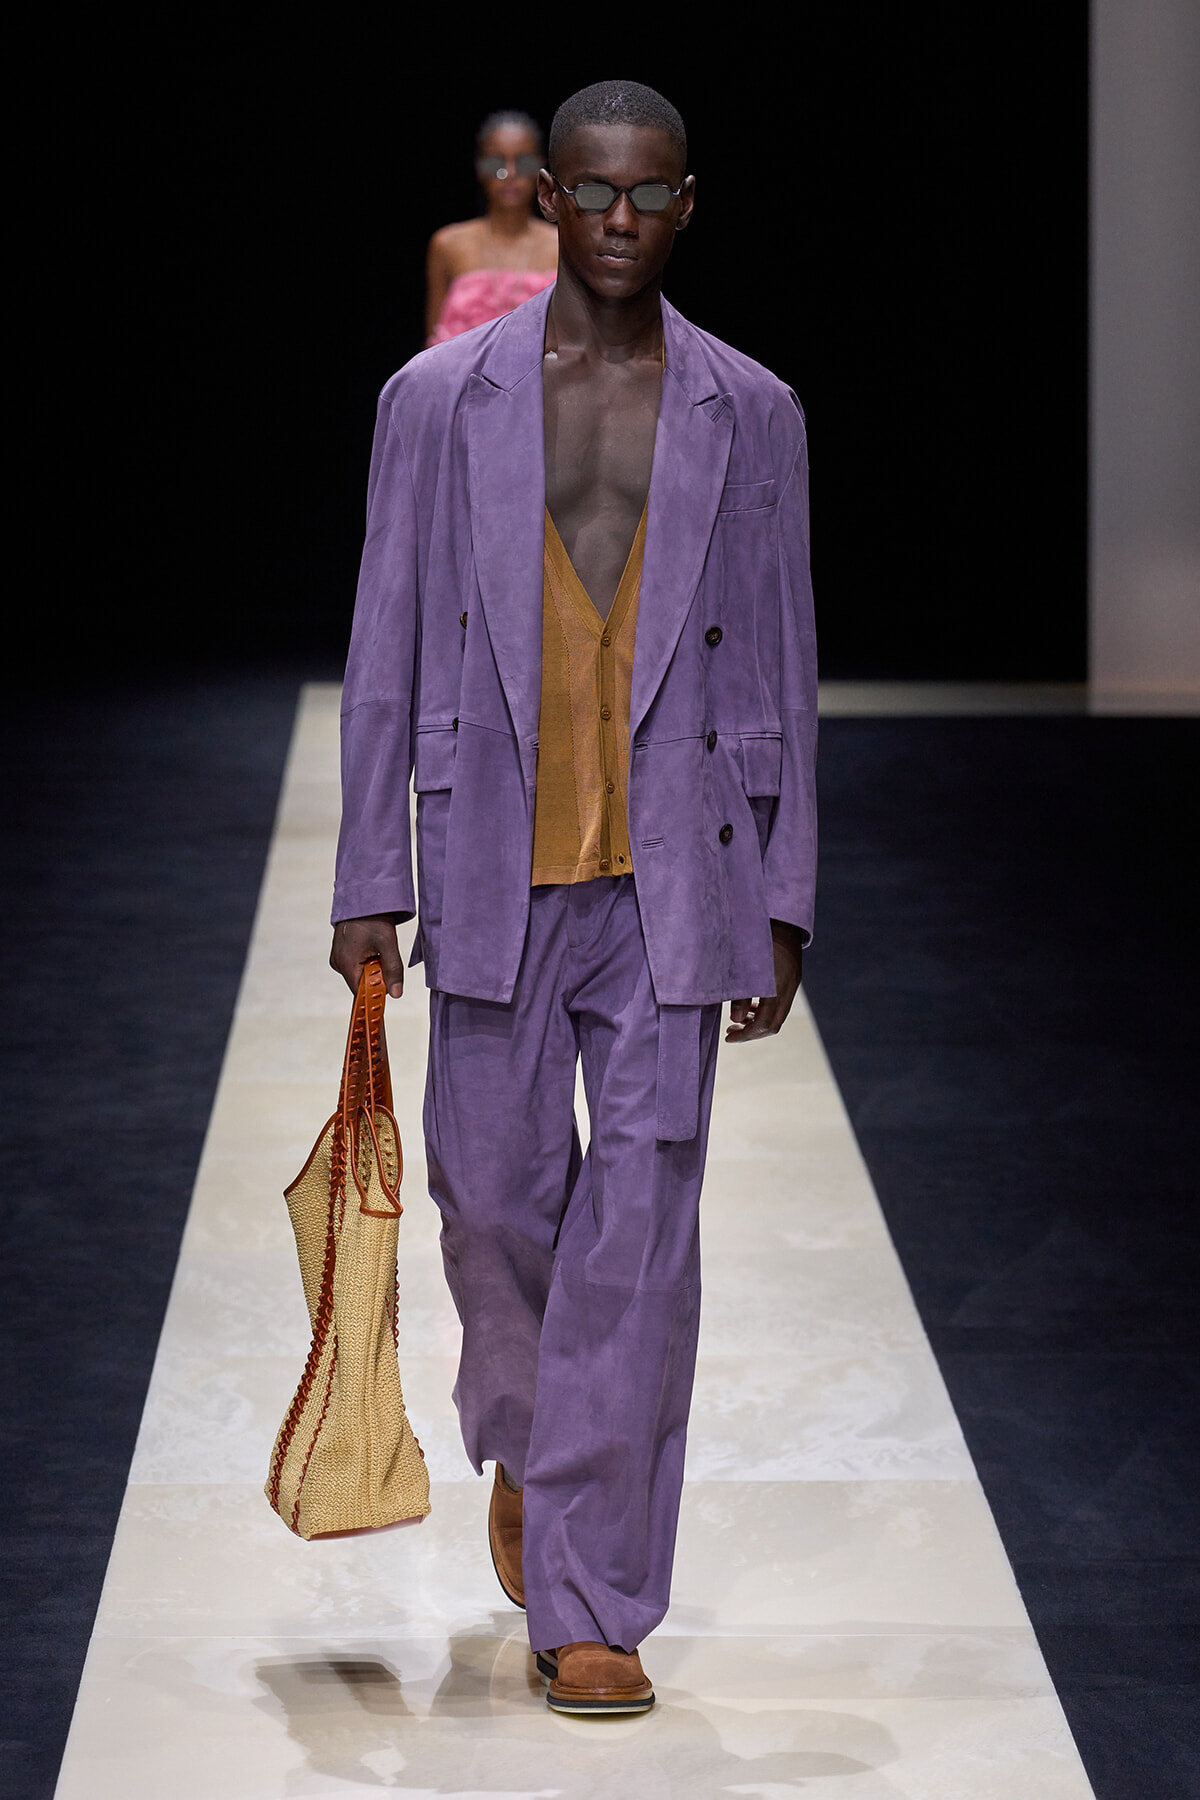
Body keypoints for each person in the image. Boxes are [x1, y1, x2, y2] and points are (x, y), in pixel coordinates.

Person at [331, 79, 817, 1716]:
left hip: (680, 870)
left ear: (690, 203)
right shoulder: (435, 399)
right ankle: (538, 1441)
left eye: (649, 193)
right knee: (495, 1205)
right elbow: (383, 650)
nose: (619, 219)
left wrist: (789, 891)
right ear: (547, 197)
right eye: (593, 191)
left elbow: (790, 654)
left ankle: (593, 1595)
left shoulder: (755, 412)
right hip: (486, 855)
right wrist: (362, 880)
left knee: (645, 1235)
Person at [425, 110, 558, 345]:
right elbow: (432, 347)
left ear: (540, 170)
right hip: (460, 380)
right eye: (496, 164)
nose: (510, 173)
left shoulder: (562, 244)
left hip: (541, 380)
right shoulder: (448, 244)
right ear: (480, 169)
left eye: (524, 163)